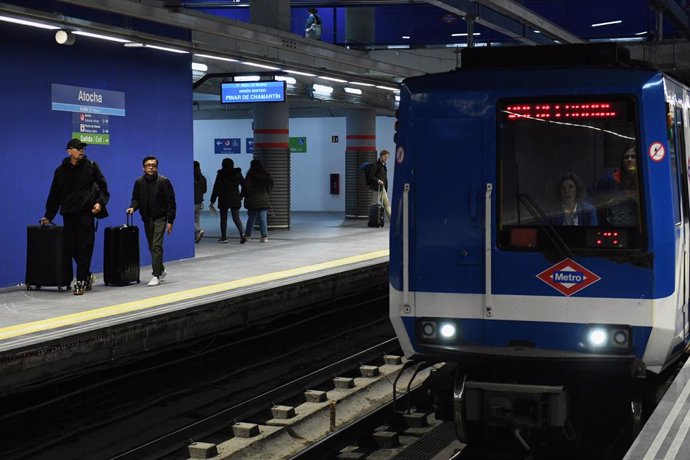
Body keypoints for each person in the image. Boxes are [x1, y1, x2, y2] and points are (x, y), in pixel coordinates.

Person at [41, 138, 110, 295]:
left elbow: (103, 187)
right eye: (78, 148)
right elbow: (55, 195)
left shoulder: (91, 166)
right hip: (69, 213)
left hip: (86, 212)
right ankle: (86, 274)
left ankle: (80, 280)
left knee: (85, 246)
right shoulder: (60, 171)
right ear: (69, 151)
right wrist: (48, 215)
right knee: (70, 247)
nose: (81, 150)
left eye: (83, 148)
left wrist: (100, 203)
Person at [126, 156, 176, 287]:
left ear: (157, 167)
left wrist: (170, 220)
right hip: (146, 218)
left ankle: (156, 275)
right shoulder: (139, 182)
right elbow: (135, 198)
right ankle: (162, 269)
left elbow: (171, 202)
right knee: (151, 246)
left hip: (160, 218)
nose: (151, 167)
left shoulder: (164, 181)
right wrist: (133, 207)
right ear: (143, 168)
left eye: (153, 165)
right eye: (148, 165)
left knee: (156, 246)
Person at [592, 145, 639, 226]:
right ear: (622, 161)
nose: (630, 160)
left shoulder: (644, 181)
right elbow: (599, 208)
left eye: (633, 157)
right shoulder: (608, 181)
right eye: (626, 157)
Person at [210, 158, 246, 244]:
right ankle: (242, 234)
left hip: (224, 199)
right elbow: (244, 186)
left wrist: (212, 200)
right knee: (236, 218)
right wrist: (241, 196)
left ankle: (224, 237)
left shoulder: (221, 174)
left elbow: (216, 188)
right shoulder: (238, 173)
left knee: (223, 219)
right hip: (235, 198)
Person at [243, 159, 273, 243]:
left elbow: (246, 187)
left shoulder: (250, 175)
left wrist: (243, 195)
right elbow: (269, 187)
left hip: (252, 200)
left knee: (251, 218)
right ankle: (264, 237)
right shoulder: (266, 175)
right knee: (263, 219)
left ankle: (248, 236)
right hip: (263, 200)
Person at [367, 149, 392, 219]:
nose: (386, 158)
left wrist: (385, 187)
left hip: (382, 188)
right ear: (381, 156)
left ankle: (392, 219)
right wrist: (378, 180)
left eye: (387, 157)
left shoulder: (383, 166)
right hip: (376, 188)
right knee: (374, 205)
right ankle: (373, 220)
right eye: (385, 157)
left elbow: (384, 178)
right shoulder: (375, 165)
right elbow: (370, 176)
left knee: (387, 204)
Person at [193, 161, 207, 244]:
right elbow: (205, 190)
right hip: (199, 201)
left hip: (191, 201)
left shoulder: (190, 176)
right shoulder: (203, 178)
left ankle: (198, 231)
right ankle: (196, 235)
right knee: (197, 219)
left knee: (190, 219)